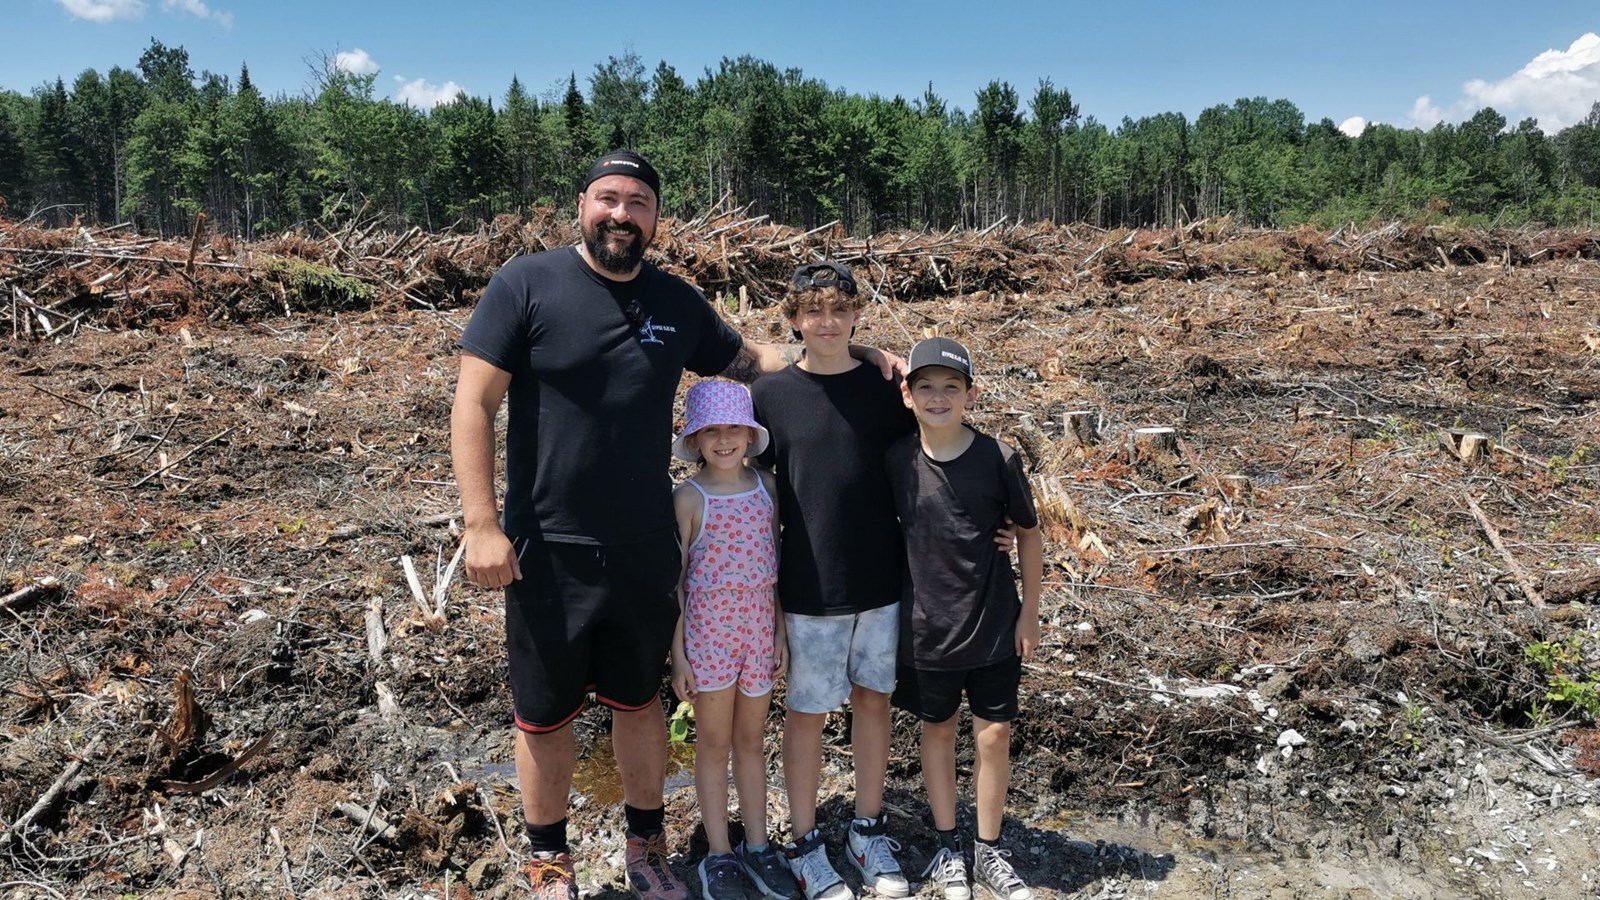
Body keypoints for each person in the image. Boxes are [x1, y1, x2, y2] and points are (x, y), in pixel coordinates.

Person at [450, 150, 896, 900]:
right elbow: (473, 402)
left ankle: (647, 846)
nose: (621, 214)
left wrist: (852, 353)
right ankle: (549, 859)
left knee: (639, 702)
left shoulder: (674, 301)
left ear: (656, 218)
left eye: (639, 203)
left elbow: (753, 359)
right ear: (583, 205)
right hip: (546, 546)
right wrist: (480, 523)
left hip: (645, 543)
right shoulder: (525, 284)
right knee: (544, 714)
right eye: (608, 198)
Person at [750, 261, 916, 900]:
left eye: (840, 310)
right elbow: (753, 488)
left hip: (880, 579)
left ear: (857, 316)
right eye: (813, 311)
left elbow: (933, 450)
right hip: (809, 584)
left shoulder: (886, 389)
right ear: (794, 319)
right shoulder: (771, 397)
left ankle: (867, 829)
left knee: (874, 701)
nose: (827, 322)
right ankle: (806, 841)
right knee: (808, 712)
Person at [884, 338, 1042, 900]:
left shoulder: (998, 457)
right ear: (907, 395)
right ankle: (948, 845)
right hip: (926, 629)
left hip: (995, 624)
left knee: (994, 735)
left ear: (971, 395)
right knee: (939, 730)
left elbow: (1029, 533)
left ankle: (989, 849)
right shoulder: (896, 460)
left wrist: (1030, 613)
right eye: (925, 386)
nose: (938, 397)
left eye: (951, 387)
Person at [668, 381, 801, 900]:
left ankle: (758, 845)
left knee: (751, 740)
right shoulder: (688, 498)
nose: (724, 440)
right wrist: (678, 654)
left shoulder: (767, 487)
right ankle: (719, 854)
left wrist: (780, 632)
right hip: (708, 636)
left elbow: (777, 562)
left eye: (733, 429)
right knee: (713, 743)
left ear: (750, 435)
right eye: (711, 431)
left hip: (759, 631)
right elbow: (676, 582)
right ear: (695, 440)